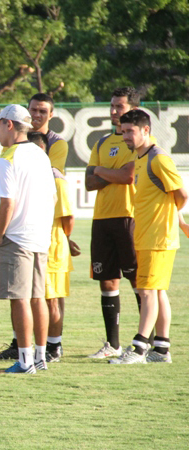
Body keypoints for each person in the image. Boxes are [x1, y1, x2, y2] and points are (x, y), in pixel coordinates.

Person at [110, 110, 187, 364]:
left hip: (157, 238)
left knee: (146, 291)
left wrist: (176, 219)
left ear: (146, 130)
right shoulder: (140, 158)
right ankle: (161, 349)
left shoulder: (158, 159)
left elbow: (180, 194)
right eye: (123, 131)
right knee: (157, 291)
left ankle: (139, 348)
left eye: (130, 131)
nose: (126, 136)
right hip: (147, 236)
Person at [84, 87, 152, 360]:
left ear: (133, 109)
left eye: (119, 107)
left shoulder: (139, 142)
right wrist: (106, 173)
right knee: (107, 281)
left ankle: (145, 344)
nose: (113, 111)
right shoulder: (101, 143)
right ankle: (112, 344)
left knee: (138, 280)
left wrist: (100, 171)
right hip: (101, 218)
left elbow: (127, 177)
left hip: (129, 217)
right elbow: (89, 183)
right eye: (111, 106)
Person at [0, 104, 55, 374]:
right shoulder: (41, 155)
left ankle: (26, 360)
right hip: (40, 235)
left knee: (19, 299)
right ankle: (40, 357)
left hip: (17, 236)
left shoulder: (8, 157)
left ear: (8, 124)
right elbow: (53, 197)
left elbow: (8, 202)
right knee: (38, 298)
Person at [28, 131, 76, 363]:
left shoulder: (55, 178)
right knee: (34, 298)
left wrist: (65, 239)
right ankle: (39, 344)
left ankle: (54, 346)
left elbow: (67, 218)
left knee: (52, 299)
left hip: (53, 247)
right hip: (32, 243)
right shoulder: (27, 176)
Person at [28, 93, 68, 174]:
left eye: (42, 111)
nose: (37, 115)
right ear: (27, 110)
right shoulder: (16, 137)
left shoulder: (58, 143)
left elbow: (52, 174)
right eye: (33, 110)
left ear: (50, 115)